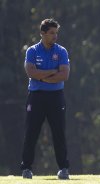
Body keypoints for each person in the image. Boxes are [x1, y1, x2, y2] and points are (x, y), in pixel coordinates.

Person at [20, 18, 70, 180]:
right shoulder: (32, 51)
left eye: (56, 33)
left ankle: (63, 168)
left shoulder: (61, 51)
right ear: (43, 34)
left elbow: (64, 75)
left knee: (59, 133)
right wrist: (52, 72)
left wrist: (42, 75)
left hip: (56, 97)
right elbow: (31, 73)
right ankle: (26, 168)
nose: (55, 36)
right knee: (31, 132)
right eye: (51, 33)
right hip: (36, 97)